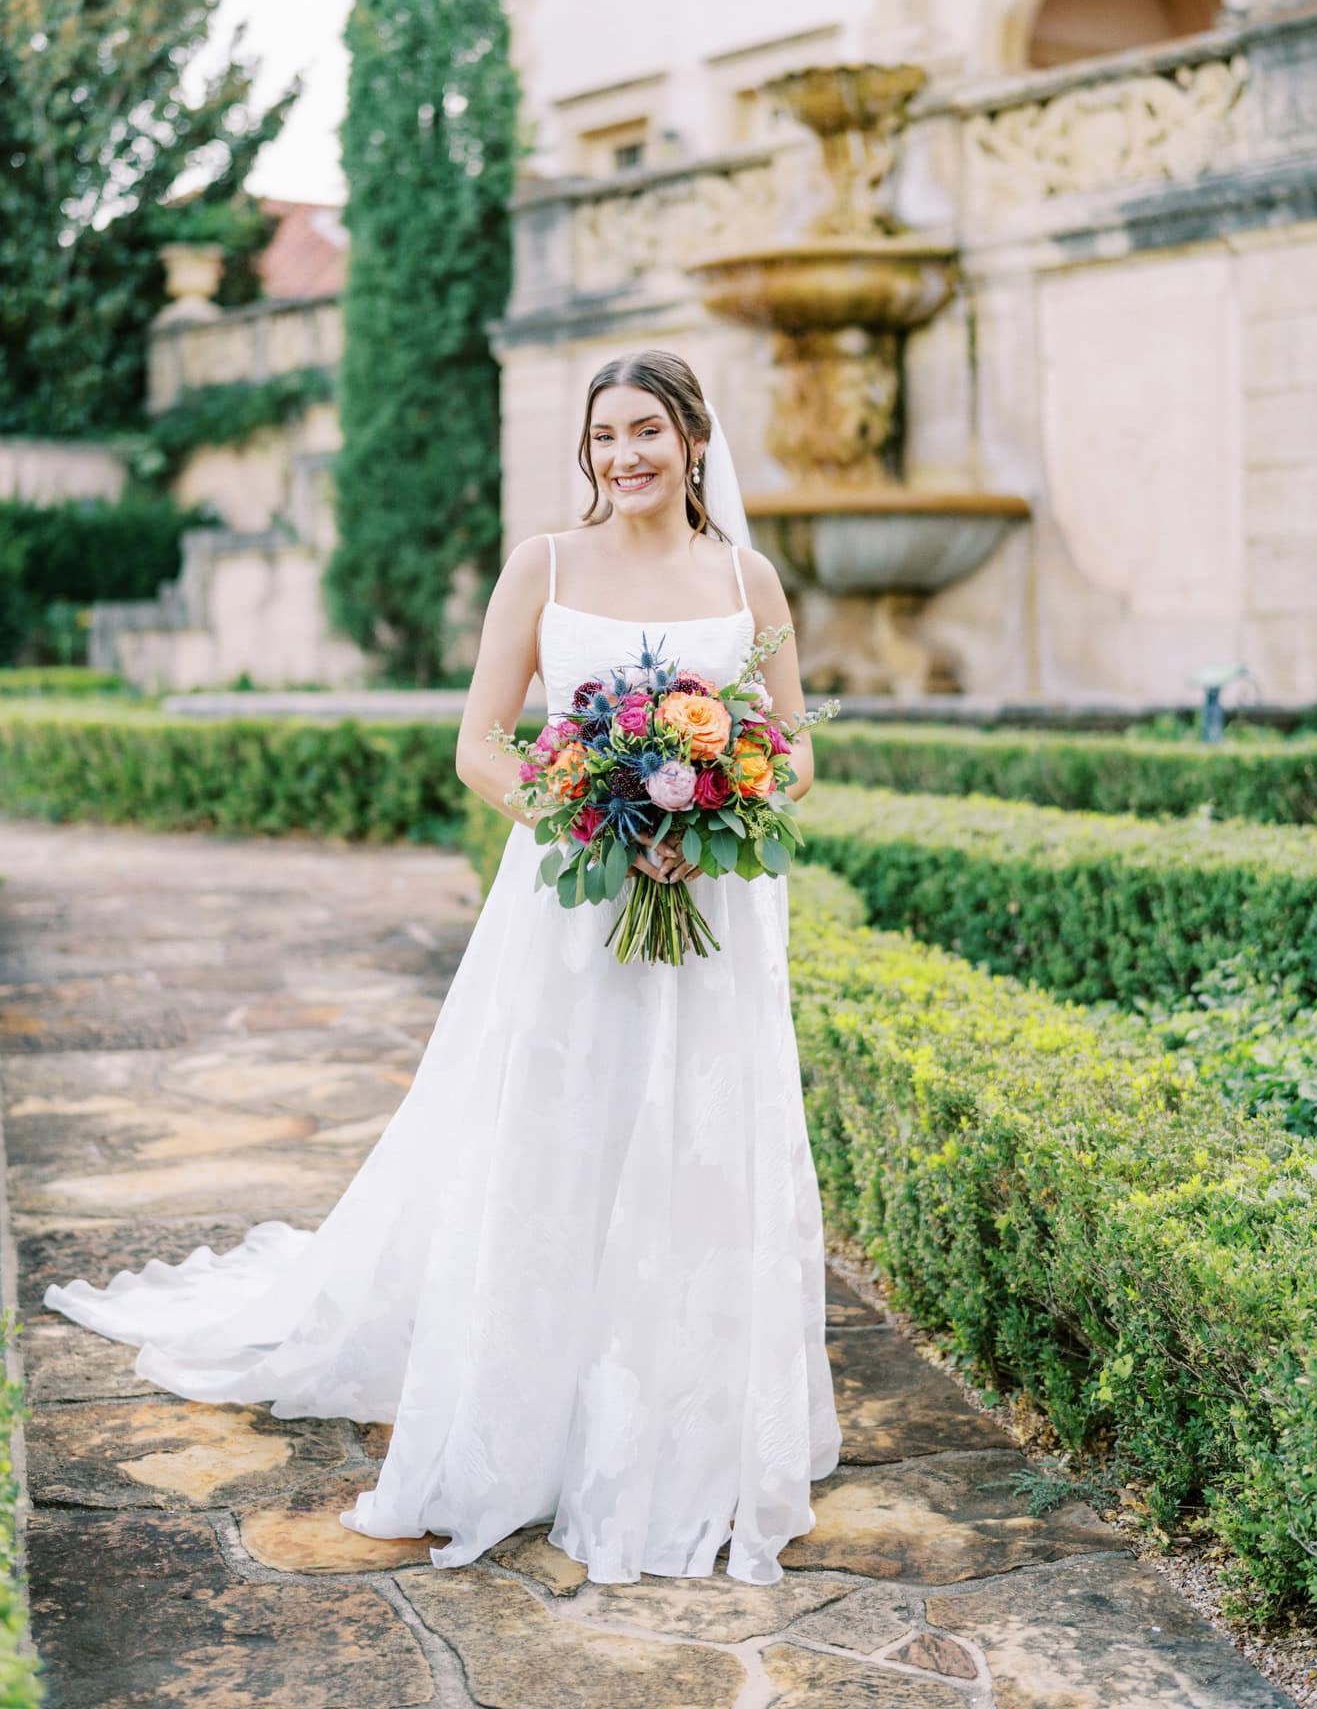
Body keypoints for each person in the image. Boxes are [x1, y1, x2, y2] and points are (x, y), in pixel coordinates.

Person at [43, 347, 841, 1587]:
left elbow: (793, 748)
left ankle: (682, 1420)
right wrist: (589, 818)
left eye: (644, 431)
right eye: (601, 436)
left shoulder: (747, 575)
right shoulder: (545, 564)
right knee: (553, 1137)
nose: (621, 455)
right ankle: (524, 1415)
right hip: (571, 902)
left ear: (692, 438)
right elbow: (480, 742)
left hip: (716, 913)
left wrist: (711, 813)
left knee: (693, 1140)